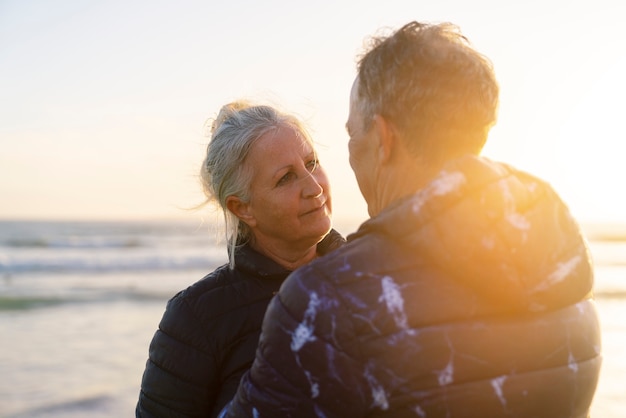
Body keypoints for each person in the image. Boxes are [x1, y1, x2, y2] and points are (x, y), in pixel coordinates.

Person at [223, 21, 602, 418]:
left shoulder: (329, 300)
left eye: (354, 134)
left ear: (384, 140)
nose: (350, 154)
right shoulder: (563, 254)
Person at [136, 101, 345, 417]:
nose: (314, 186)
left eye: (312, 163)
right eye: (286, 177)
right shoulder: (196, 319)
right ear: (242, 208)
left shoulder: (370, 276)